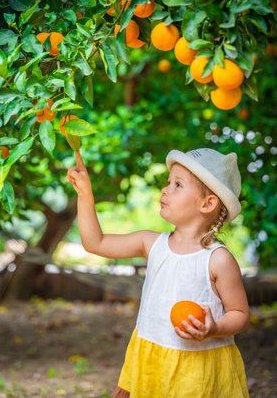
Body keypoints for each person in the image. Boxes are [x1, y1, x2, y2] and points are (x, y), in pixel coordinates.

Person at [66, 147, 250, 398]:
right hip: (150, 367)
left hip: (198, 374)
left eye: (177, 185)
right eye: (168, 182)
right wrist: (85, 194)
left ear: (208, 203)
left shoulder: (218, 260)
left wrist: (214, 328)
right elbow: (94, 243)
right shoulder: (151, 244)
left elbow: (240, 314)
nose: (165, 189)